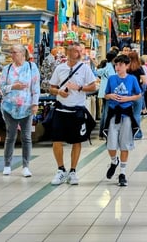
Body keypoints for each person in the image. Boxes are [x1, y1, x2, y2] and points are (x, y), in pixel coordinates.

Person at [48, 42, 98, 186]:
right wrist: (59, 92)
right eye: (75, 51)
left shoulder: (85, 69)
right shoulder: (60, 68)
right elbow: (52, 87)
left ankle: (73, 170)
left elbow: (93, 86)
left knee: (77, 140)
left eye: (79, 51)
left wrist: (79, 87)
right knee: (57, 140)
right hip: (60, 109)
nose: (77, 53)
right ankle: (60, 169)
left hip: (77, 110)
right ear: (68, 52)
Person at [0, 44, 40, 177]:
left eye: (15, 52)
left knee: (26, 137)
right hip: (9, 106)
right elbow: (1, 88)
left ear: (22, 53)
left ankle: (26, 166)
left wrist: (35, 104)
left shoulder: (31, 67)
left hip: (26, 107)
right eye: (11, 52)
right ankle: (7, 164)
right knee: (10, 136)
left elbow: (35, 87)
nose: (12, 55)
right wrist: (13, 87)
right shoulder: (7, 69)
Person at [104, 54, 143, 187]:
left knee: (125, 144)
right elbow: (106, 94)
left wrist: (128, 99)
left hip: (126, 114)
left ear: (126, 66)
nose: (118, 67)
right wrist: (110, 96)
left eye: (120, 65)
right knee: (111, 144)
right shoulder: (111, 79)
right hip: (113, 114)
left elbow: (138, 94)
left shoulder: (132, 79)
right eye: (116, 65)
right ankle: (114, 161)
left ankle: (123, 173)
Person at [97, 49, 118, 134]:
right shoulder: (110, 68)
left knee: (104, 112)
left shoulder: (105, 66)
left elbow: (98, 73)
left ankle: (102, 132)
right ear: (114, 58)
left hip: (103, 91)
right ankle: (105, 131)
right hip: (108, 92)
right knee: (107, 112)